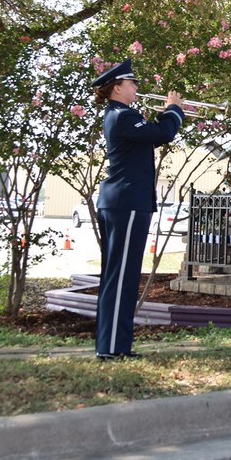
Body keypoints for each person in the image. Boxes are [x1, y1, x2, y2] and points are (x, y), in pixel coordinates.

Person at [90, 59, 185, 360]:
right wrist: (174, 109)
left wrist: (165, 116)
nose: (136, 87)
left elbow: (152, 133)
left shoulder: (122, 116)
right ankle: (114, 349)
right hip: (127, 204)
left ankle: (111, 346)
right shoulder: (122, 116)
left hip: (122, 202)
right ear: (117, 87)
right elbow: (162, 135)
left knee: (116, 277)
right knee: (122, 278)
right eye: (131, 83)